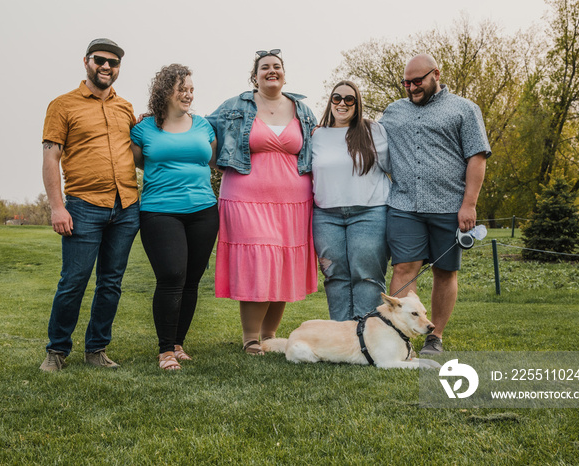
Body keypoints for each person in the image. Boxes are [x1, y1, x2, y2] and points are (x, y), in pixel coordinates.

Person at [206, 49, 318, 355]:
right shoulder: (233, 106)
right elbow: (203, 133)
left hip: (295, 202)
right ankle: (251, 338)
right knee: (259, 260)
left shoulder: (303, 110)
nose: (272, 71)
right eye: (264, 67)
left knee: (281, 262)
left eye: (277, 66)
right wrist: (220, 162)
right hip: (245, 198)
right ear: (254, 76)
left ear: (284, 73)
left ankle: (269, 336)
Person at [39, 38, 140, 372]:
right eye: (101, 60)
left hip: (126, 207)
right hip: (83, 206)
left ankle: (96, 349)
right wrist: (57, 206)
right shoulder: (62, 105)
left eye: (114, 63)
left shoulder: (125, 107)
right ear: (87, 61)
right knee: (74, 281)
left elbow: (137, 155)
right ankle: (56, 351)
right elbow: (51, 157)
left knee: (111, 282)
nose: (107, 67)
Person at [380, 54, 490, 354]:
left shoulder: (465, 110)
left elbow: (477, 158)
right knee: (404, 268)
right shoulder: (392, 112)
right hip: (403, 205)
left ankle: (434, 336)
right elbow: (366, 138)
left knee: (445, 272)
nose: (412, 87)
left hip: (449, 207)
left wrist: (469, 204)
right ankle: (399, 336)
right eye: (406, 83)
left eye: (417, 81)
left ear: (436, 75)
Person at [131, 64, 219, 371]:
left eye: (191, 89)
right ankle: (165, 350)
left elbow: (211, 159)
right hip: (160, 211)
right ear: (165, 91)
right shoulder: (143, 129)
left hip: (204, 211)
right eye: (182, 89)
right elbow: (140, 162)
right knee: (171, 276)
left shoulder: (204, 126)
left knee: (192, 280)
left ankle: (178, 344)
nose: (188, 94)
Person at [311, 81, 391, 321]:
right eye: (337, 98)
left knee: (367, 275)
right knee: (335, 276)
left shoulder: (373, 131)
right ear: (330, 102)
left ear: (357, 104)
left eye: (349, 99)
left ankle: (367, 336)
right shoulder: (316, 135)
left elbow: (392, 168)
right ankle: (341, 335)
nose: (342, 103)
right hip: (326, 215)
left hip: (369, 213)